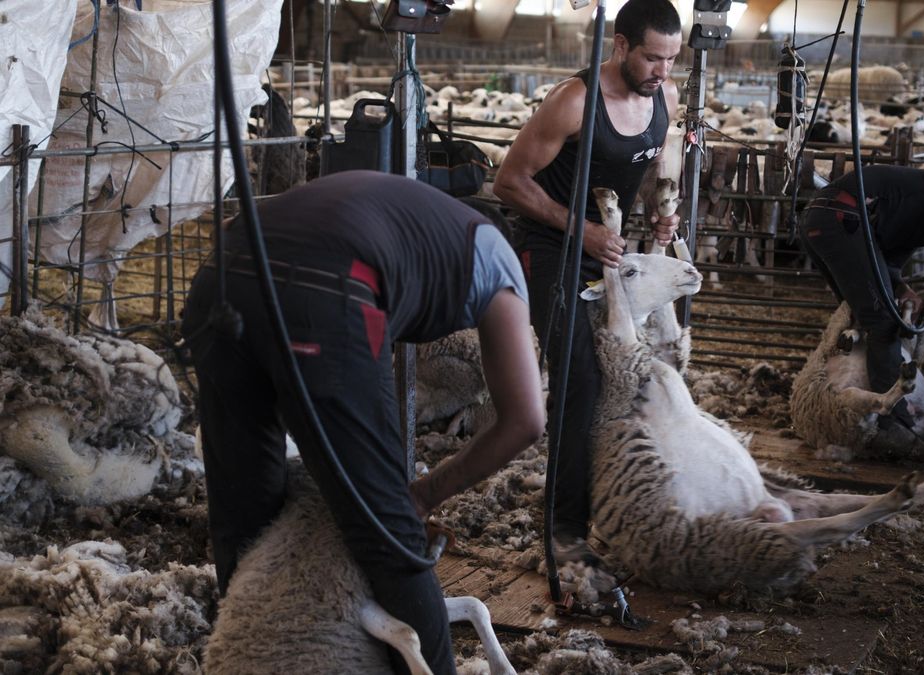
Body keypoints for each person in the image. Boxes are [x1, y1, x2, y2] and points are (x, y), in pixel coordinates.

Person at [182, 171, 544, 675]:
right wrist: (421, 495)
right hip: (328, 294)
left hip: (218, 281)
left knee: (245, 509)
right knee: (388, 531)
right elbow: (526, 419)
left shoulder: (400, 216)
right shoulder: (498, 262)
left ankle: (251, 657)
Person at [492, 0, 681, 559]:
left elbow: (644, 168)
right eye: (652, 57)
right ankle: (564, 529)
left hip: (610, 246)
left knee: (635, 371)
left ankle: (619, 496)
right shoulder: (574, 101)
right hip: (549, 247)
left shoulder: (663, 97)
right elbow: (509, 181)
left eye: (672, 59)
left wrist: (656, 209)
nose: (662, 71)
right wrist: (583, 230)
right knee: (579, 380)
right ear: (620, 46)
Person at [797, 165, 924, 453]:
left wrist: (903, 289)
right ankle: (896, 423)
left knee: (866, 314)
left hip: (824, 220)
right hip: (842, 217)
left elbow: (888, 264)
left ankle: (849, 404)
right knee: (882, 324)